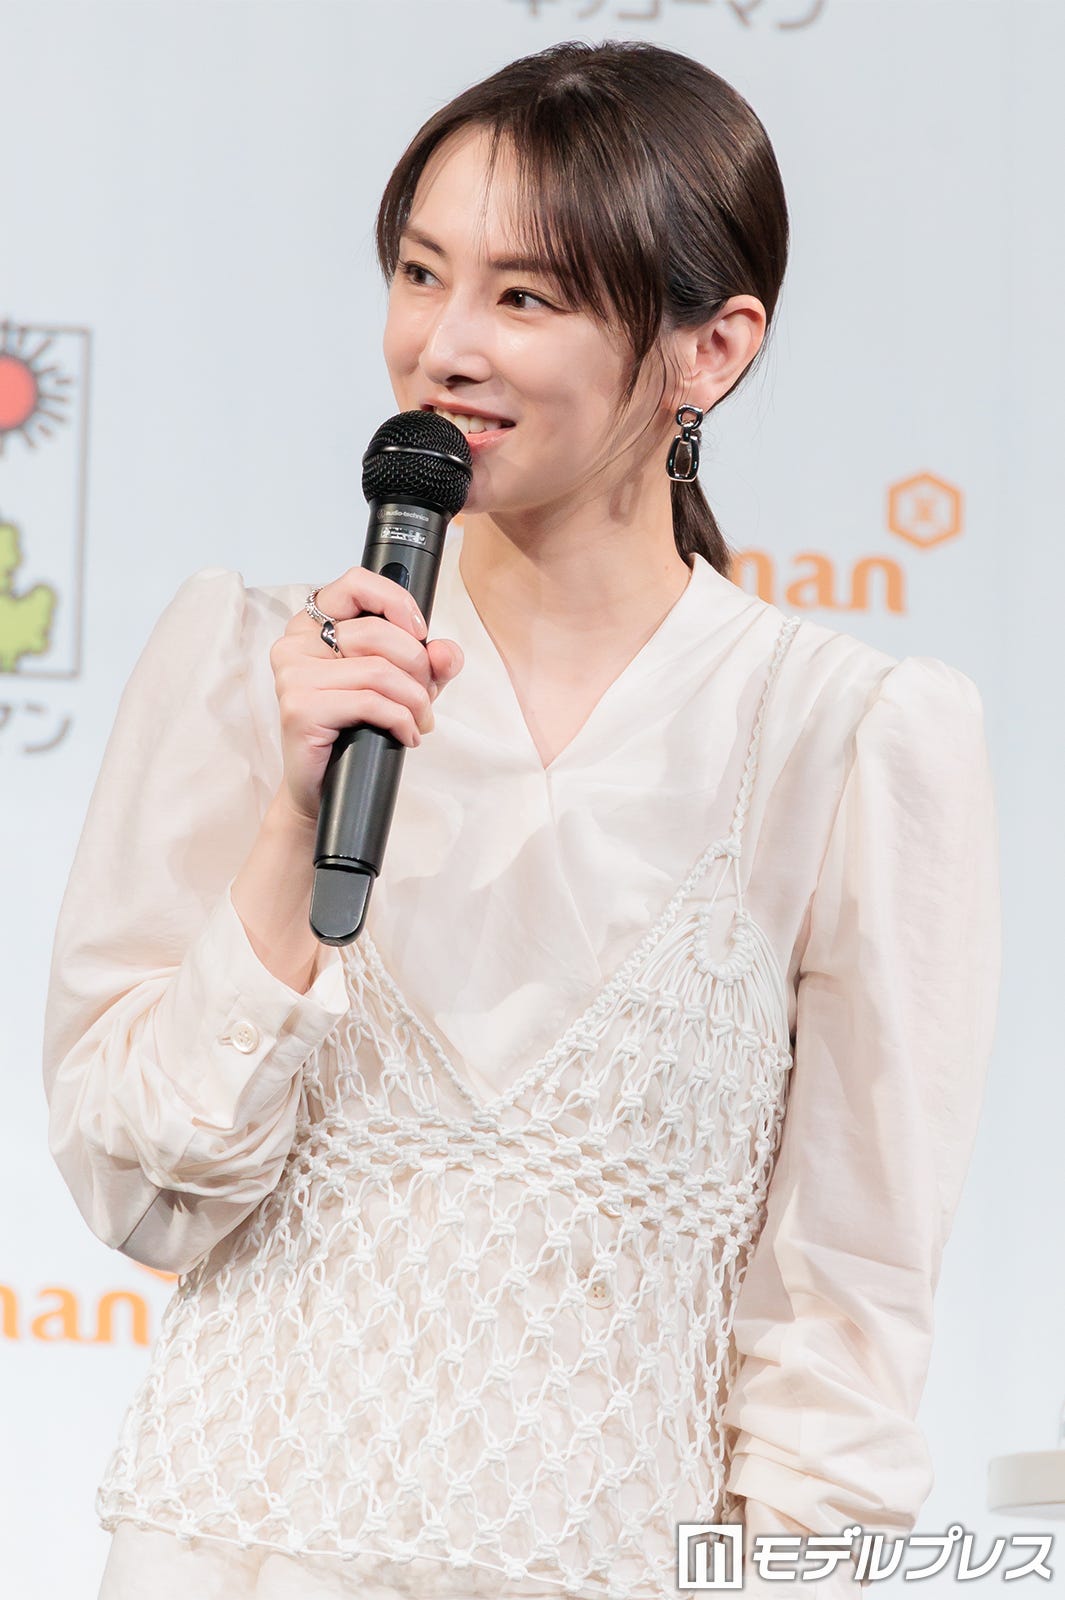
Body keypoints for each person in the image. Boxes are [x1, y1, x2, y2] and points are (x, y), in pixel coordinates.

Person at [42, 38, 1001, 1600]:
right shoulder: (251, 661)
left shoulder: (842, 739)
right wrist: (293, 824)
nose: (443, 347)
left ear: (709, 350)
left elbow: (843, 1327)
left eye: (526, 297)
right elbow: (137, 1188)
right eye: (421, 274)